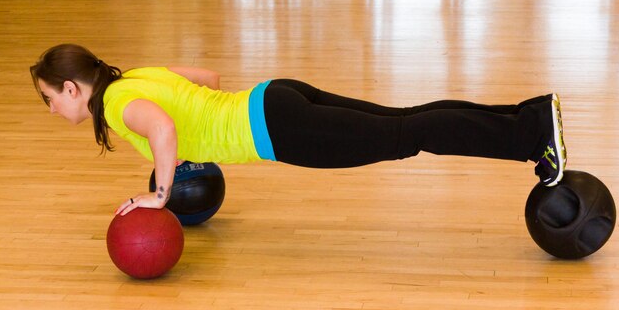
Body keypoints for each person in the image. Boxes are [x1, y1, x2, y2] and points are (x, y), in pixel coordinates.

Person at [30, 44, 567, 216]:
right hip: (275, 96)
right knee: (407, 120)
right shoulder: (134, 76)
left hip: (277, 129)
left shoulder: (120, 104)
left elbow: (164, 127)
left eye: (51, 99)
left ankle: (530, 136)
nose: (53, 110)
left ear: (73, 89)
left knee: (409, 135)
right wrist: (208, 131)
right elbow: (207, 81)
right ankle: (528, 118)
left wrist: (160, 193)